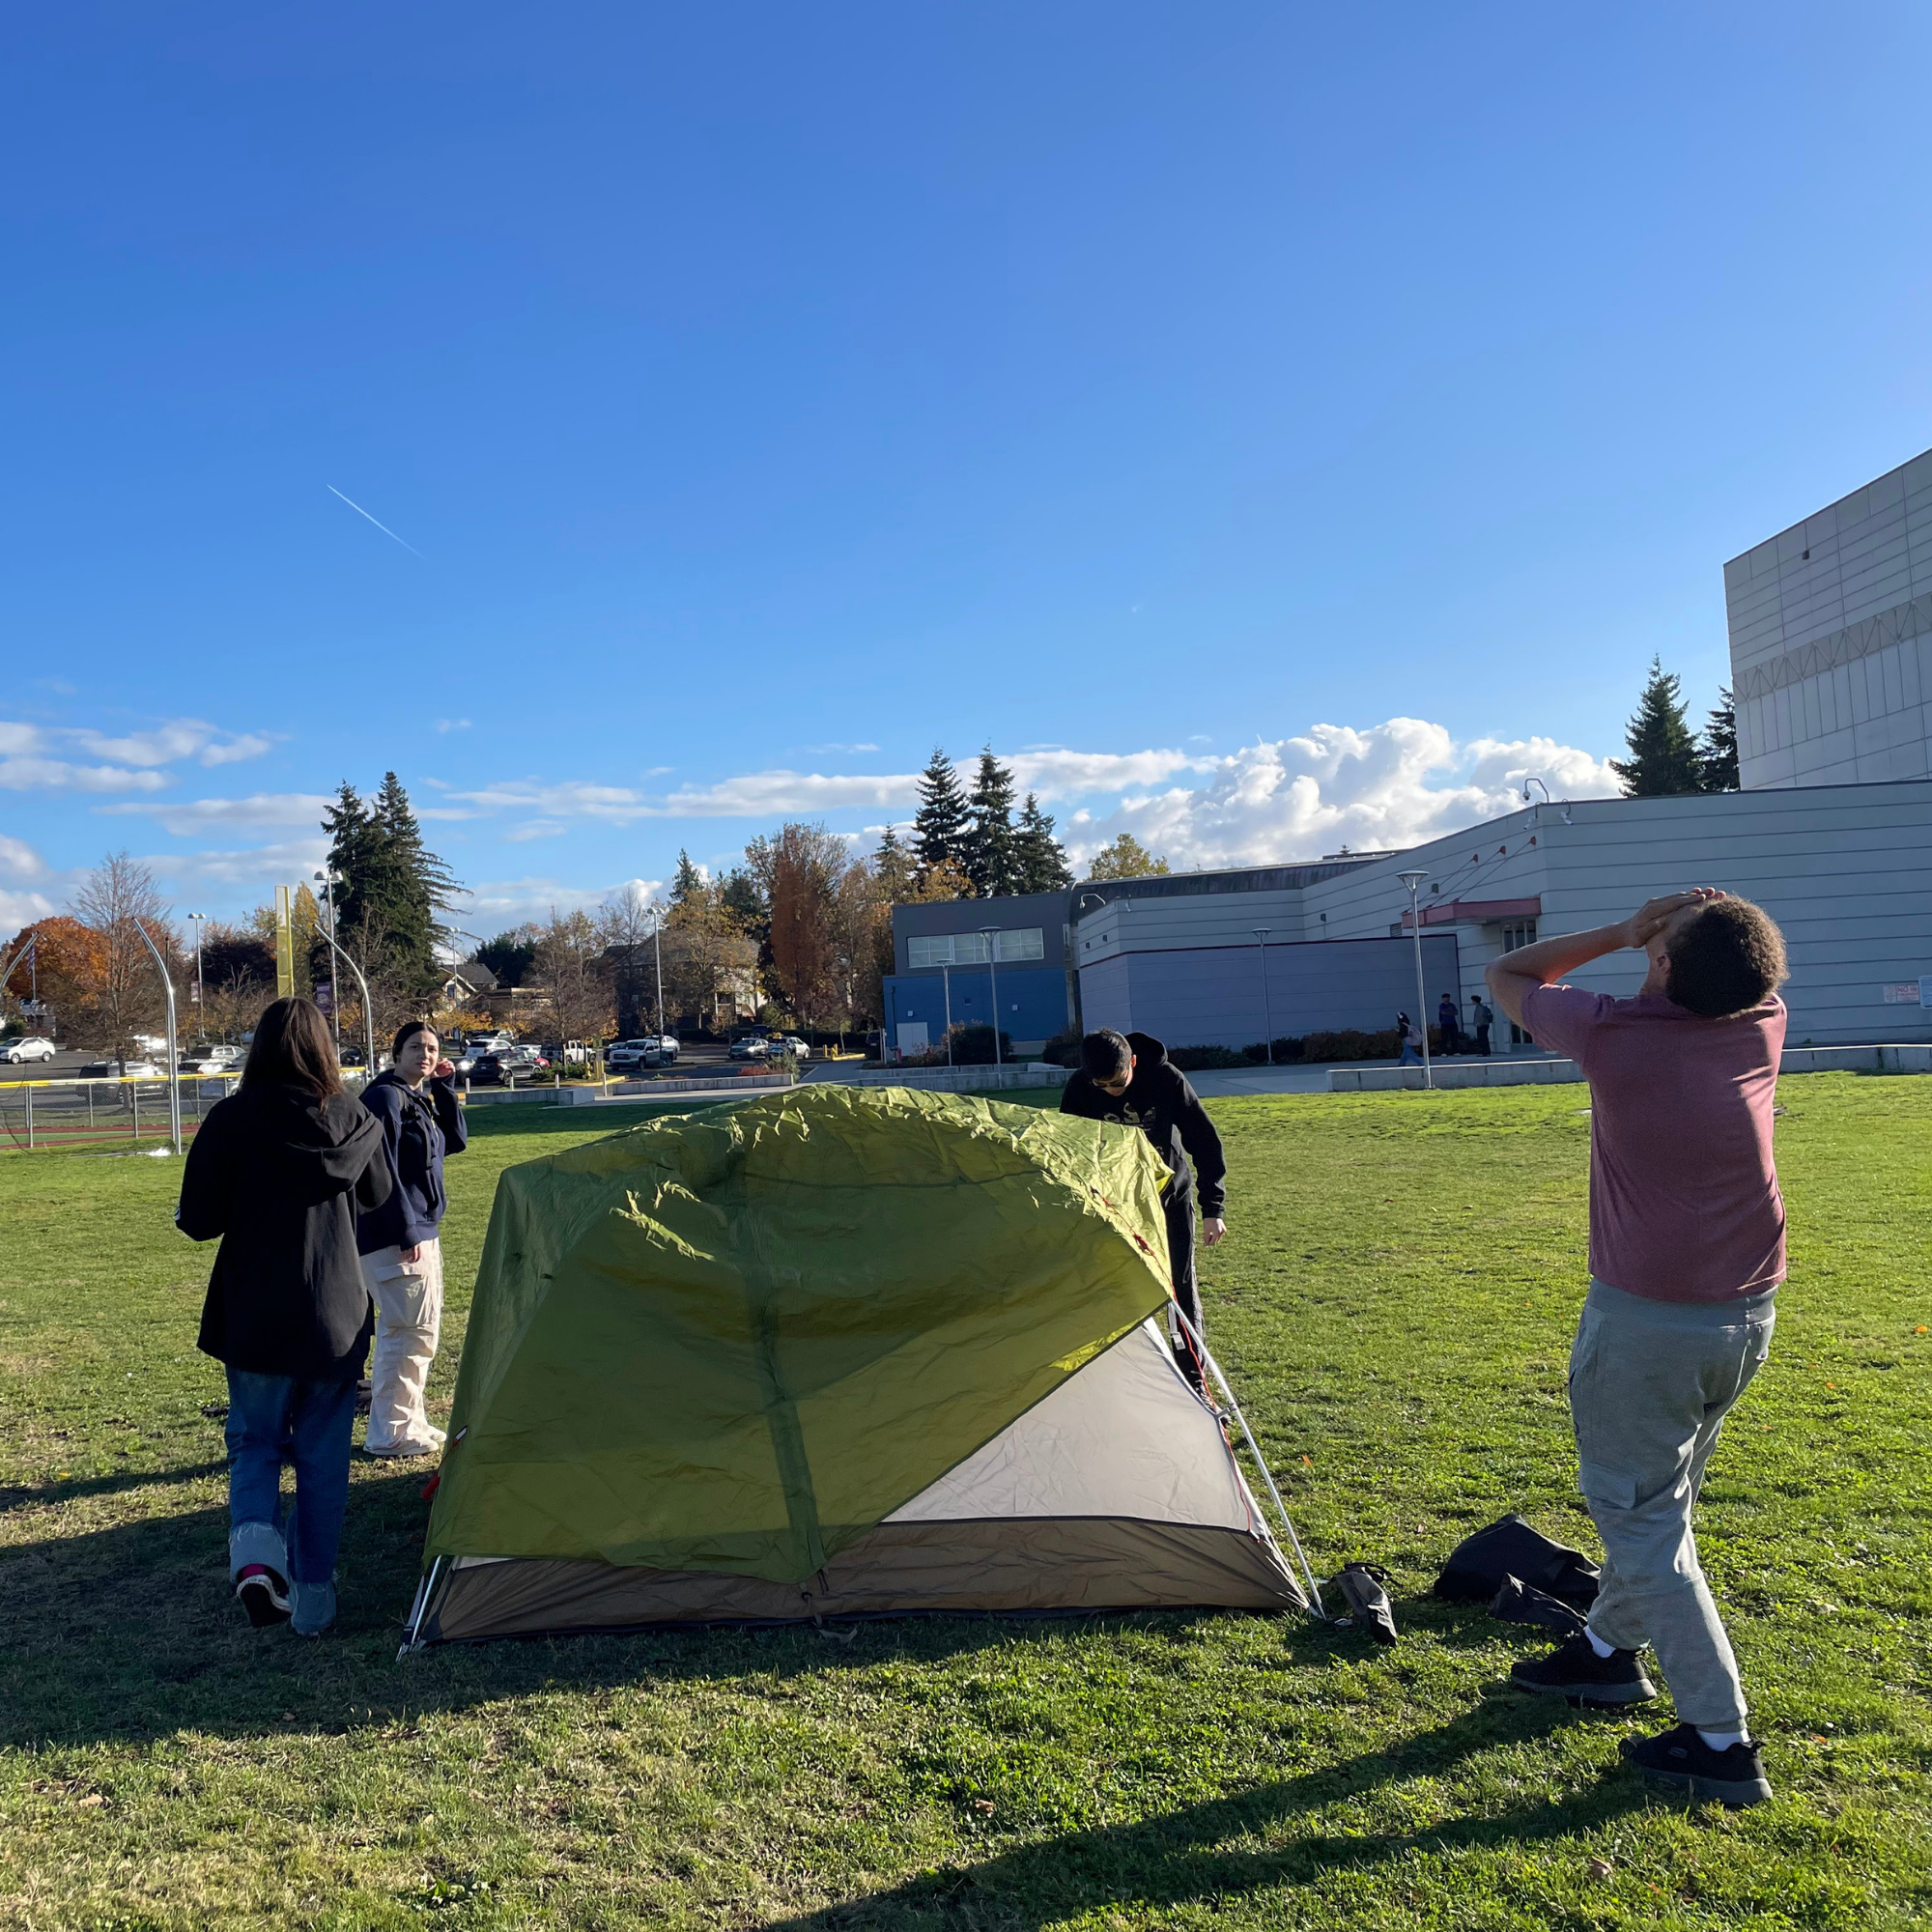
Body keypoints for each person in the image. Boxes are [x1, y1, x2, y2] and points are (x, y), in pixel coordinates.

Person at [1485, 890, 1787, 1807]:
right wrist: (1675, 940)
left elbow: (1509, 973)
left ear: (1659, 967)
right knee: (1658, 1505)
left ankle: (1720, 1741)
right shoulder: (1762, 1020)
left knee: (1644, 1522)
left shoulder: (1614, 1035)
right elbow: (1742, 962)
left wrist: (1620, 929)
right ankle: (1607, 1653)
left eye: (1657, 946)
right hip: (1746, 1315)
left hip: (1648, 1324)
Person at [177, 996, 392, 1636]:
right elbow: (379, 1199)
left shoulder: (232, 1119)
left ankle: (257, 1562)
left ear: (259, 1047)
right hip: (336, 1315)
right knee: (325, 1457)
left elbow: (198, 1220)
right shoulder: (357, 1119)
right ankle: (315, 1604)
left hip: (256, 1313)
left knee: (255, 1439)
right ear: (325, 1047)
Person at [1060, 1029, 1227, 1395]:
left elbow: (1203, 1139)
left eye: (1118, 1082)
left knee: (1178, 1289)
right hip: (1116, 1206)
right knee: (1114, 1290)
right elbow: (1071, 1151)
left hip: (1169, 1200)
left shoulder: (1166, 1080)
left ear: (1132, 1062)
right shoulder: (1079, 1089)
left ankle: (1195, 1385)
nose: (1111, 1092)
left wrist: (1213, 1207)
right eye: (1101, 1085)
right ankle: (1118, 1385)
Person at [357, 1020, 468, 1458]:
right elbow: (378, 1170)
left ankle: (411, 1421)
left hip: (422, 1230)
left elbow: (455, 1142)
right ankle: (390, 1434)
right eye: (414, 1047)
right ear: (395, 1052)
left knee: (421, 1332)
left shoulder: (415, 1098)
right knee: (405, 1333)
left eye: (431, 1047)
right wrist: (403, 1229)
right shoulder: (384, 1098)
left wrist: (446, 1087)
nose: (424, 1054)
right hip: (397, 1236)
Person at [1469, 993, 1494, 1057]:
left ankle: (1485, 1052)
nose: (1472, 1002)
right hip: (1484, 1024)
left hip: (1482, 1025)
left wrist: (1478, 1024)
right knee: (1484, 1038)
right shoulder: (1481, 1007)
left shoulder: (1480, 1008)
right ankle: (1486, 1052)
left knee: (1482, 1038)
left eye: (1473, 1000)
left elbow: (1480, 1017)